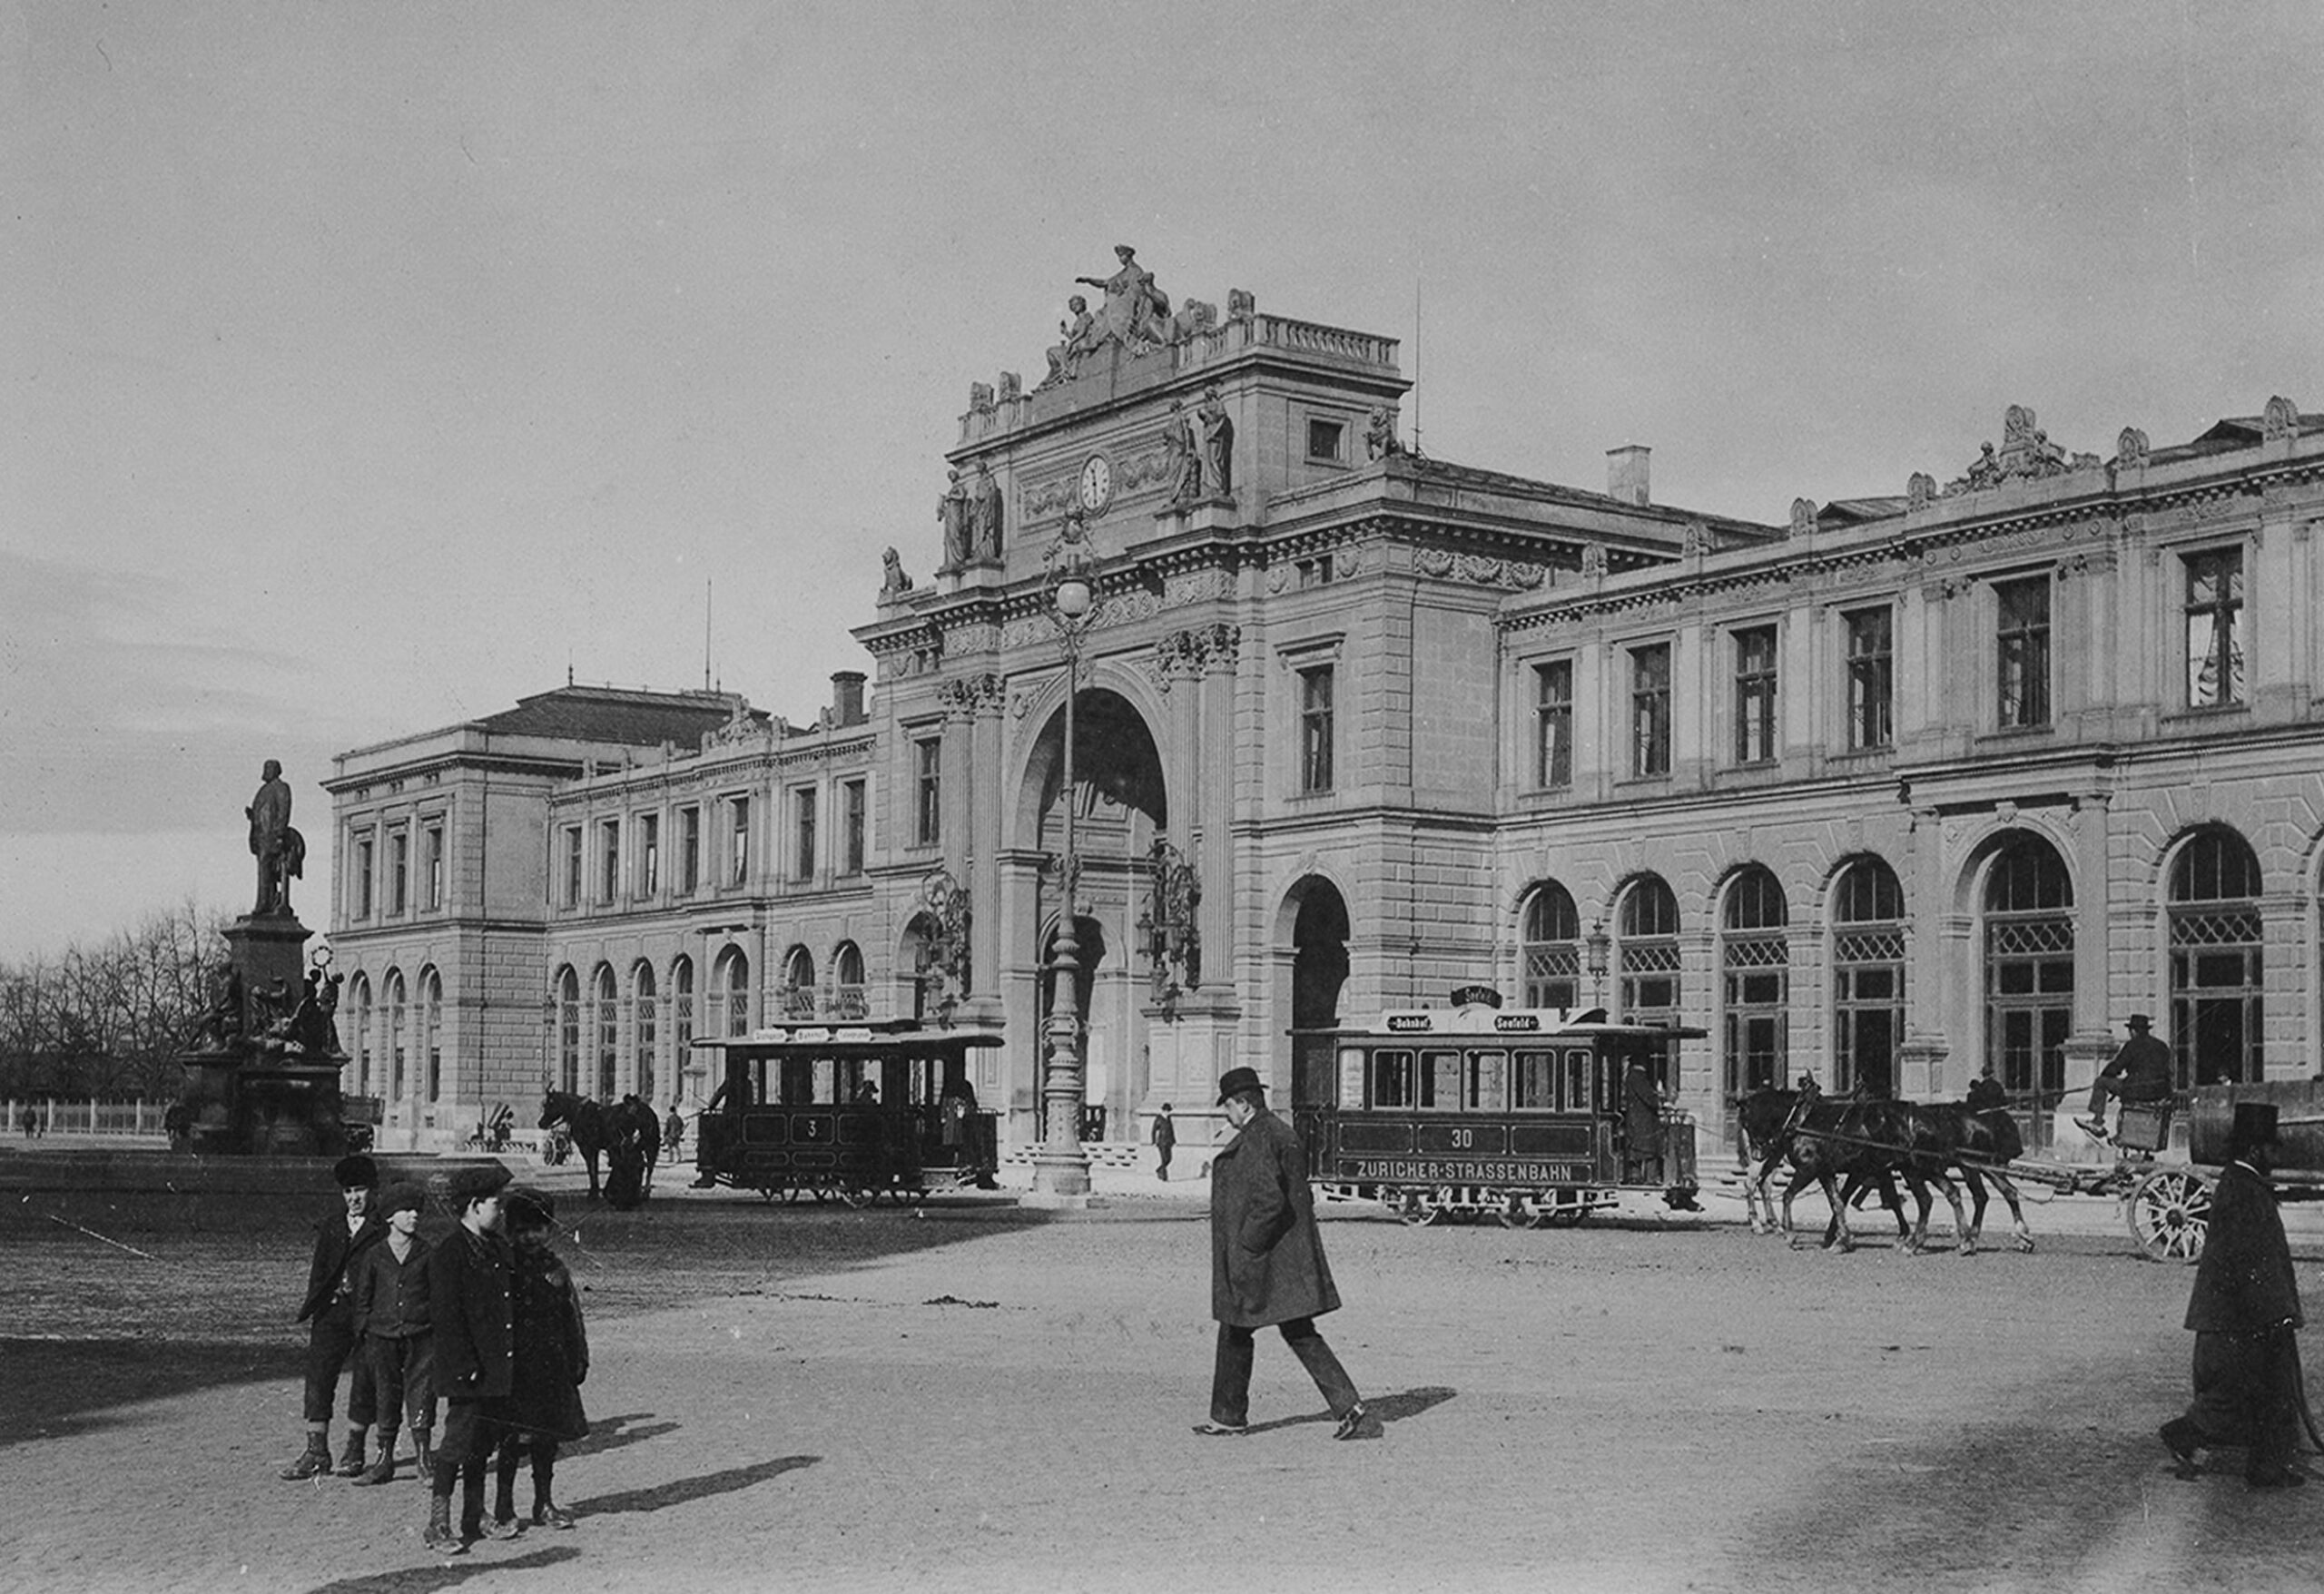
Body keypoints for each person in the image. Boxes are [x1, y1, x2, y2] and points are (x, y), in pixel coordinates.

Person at [1196, 1067, 1374, 1441]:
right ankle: (1347, 1404)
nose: (1226, 1114)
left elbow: (1269, 1200)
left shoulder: (1259, 1137)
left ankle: (1229, 1417)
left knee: (1237, 1327)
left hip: (1262, 1258)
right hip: (1283, 1256)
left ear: (1243, 1104)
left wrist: (1245, 1245)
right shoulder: (1277, 1132)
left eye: (1228, 1106)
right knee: (1287, 1329)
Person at [2160, 1102, 2306, 1488]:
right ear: (2256, 1150)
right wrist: (2275, 1313)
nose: (2277, 1155)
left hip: (2238, 1314)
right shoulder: (2245, 1189)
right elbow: (2252, 1259)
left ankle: (2264, 1466)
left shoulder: (2242, 1184)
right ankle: (2198, 1440)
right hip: (2243, 1317)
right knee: (2251, 1396)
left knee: (2259, 1395)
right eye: (2272, 1148)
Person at [424, 1162, 521, 1554]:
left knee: (482, 1444)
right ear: (474, 1205)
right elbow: (447, 1319)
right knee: (455, 1446)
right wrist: (467, 1368)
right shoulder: (449, 1254)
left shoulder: (498, 1248)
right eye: (496, 1204)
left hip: (497, 1366)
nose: (501, 1211)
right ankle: (438, 1522)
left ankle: (474, 1514)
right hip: (467, 1371)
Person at [279, 1154, 384, 1481]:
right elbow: (319, 1271)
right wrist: (319, 1303)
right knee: (319, 1377)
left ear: (373, 1191)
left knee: (364, 1379)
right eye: (348, 1191)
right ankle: (316, 1450)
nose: (354, 1198)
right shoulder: (331, 1226)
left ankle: (355, 1448)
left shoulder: (382, 1228)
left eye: (361, 1190)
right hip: (332, 1312)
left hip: (366, 1314)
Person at [491, 1187, 588, 1532]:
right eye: (521, 1230)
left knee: (546, 1439)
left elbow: (571, 1316)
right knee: (510, 1440)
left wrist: (578, 1358)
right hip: (514, 1369)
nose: (530, 1236)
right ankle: (503, 1505)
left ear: (549, 1230)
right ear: (510, 1232)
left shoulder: (557, 1269)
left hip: (550, 1366)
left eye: (537, 1228)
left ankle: (543, 1501)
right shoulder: (503, 1269)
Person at [350, 1181, 435, 1487]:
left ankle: (425, 1460)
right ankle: (384, 1460)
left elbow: (437, 1296)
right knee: (385, 1395)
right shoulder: (374, 1255)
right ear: (389, 1217)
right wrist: (364, 1331)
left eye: (417, 1211)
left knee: (422, 1392)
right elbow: (363, 1297)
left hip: (421, 1334)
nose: (414, 1216)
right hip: (381, 1336)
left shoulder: (427, 1253)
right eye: (407, 1210)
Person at [2078, 1014, 2173, 1140]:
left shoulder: (2132, 1045)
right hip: (2159, 1092)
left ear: (2133, 1031)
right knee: (2125, 1085)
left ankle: (2097, 1122)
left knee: (2101, 1082)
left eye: (2130, 1031)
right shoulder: (2162, 1046)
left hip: (2136, 1090)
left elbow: (2116, 1067)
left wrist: (2105, 1075)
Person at [1622, 1062, 1667, 1184]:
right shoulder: (1638, 1077)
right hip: (1643, 1123)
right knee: (1649, 1150)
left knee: (1639, 1151)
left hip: (1638, 1122)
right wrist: (1659, 1102)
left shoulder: (1632, 1076)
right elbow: (1649, 1098)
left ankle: (1637, 1176)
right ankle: (1649, 1178)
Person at [1152, 1103, 1177, 1182]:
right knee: (1163, 1159)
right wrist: (1153, 1141)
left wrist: (1174, 1140)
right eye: (1167, 1111)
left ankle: (1159, 1170)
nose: (1168, 1112)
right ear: (1164, 1111)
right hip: (1161, 1142)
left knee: (1169, 1158)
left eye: (1169, 1111)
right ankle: (1164, 1177)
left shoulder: (1169, 1119)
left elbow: (1171, 1130)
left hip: (1168, 1142)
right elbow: (1154, 1131)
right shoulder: (1158, 1119)